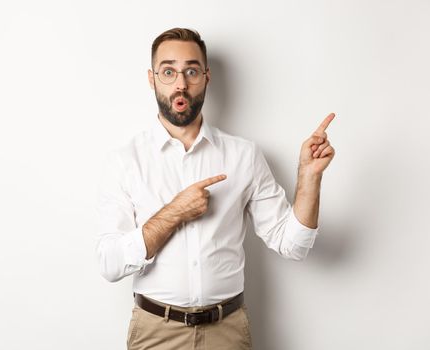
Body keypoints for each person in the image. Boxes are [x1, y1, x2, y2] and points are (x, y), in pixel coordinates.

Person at [95, 28, 335, 350]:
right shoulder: (125, 161)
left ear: (206, 77)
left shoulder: (243, 155)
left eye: (191, 71)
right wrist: (174, 212)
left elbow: (292, 245)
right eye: (169, 71)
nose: (180, 83)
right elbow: (110, 263)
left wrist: (309, 177)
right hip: (155, 333)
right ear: (152, 79)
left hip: (228, 332)